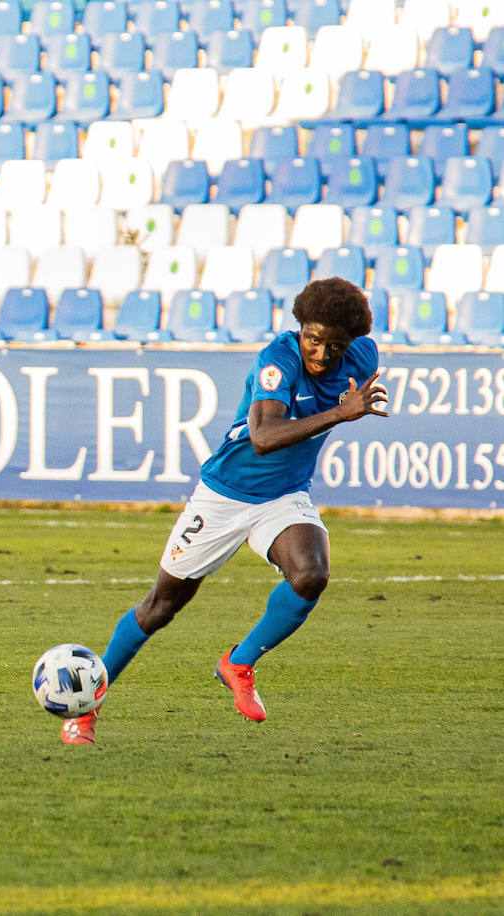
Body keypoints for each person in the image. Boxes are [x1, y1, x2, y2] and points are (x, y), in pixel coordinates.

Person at [63, 277, 391, 745]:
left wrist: (344, 404)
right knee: (160, 608)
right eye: (313, 339)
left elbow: (345, 388)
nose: (320, 353)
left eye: (333, 346)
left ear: (351, 344)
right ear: (300, 328)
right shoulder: (278, 361)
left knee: (311, 574)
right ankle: (86, 709)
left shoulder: (363, 358)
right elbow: (262, 437)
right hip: (224, 495)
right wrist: (341, 413)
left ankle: (238, 663)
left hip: (284, 495)